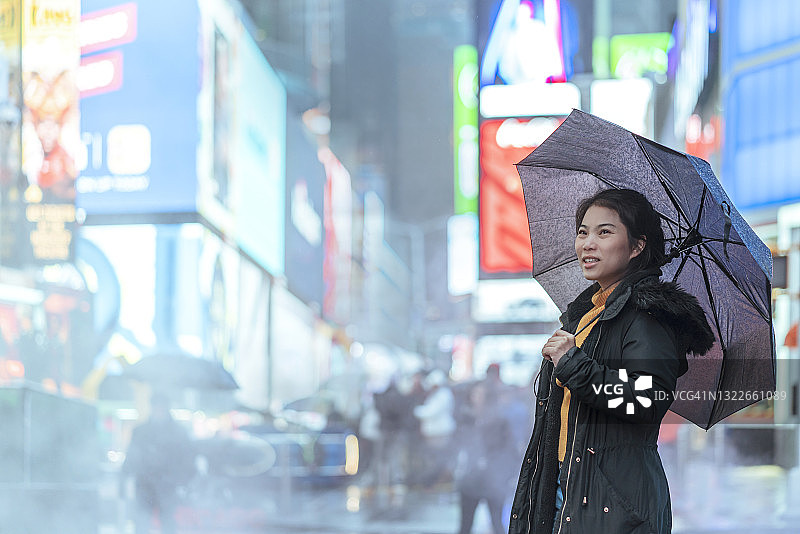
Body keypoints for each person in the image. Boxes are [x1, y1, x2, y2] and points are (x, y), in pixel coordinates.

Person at [508, 189, 714, 534]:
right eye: (583, 231)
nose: (588, 243)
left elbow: (646, 400)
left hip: (616, 502)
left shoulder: (648, 316)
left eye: (605, 232)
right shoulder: (590, 314)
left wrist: (572, 363)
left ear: (637, 246)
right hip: (568, 486)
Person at [122, 392, 196, 534]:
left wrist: (184, 481)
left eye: (161, 406)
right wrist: (123, 476)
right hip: (145, 485)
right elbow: (132, 456)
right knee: (141, 523)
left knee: (168, 523)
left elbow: (188, 459)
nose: (159, 410)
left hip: (168, 486)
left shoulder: (179, 433)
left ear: (167, 408)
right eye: (156, 406)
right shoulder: (140, 431)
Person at [455, 381, 518, 534]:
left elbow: (510, 450)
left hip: (494, 477)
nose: (475, 398)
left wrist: (506, 475)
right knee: (465, 525)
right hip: (470, 478)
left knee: (497, 523)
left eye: (480, 395)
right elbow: (458, 444)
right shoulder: (466, 417)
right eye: (474, 394)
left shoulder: (500, 420)